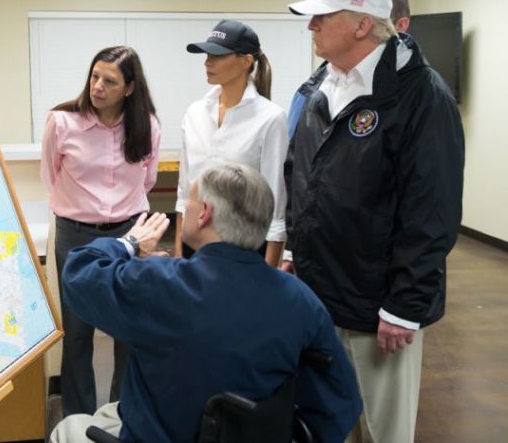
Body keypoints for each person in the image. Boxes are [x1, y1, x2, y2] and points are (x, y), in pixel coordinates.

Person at [50, 162, 362, 443]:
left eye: (189, 200)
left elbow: (79, 274)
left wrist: (129, 243)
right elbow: (341, 403)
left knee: (69, 428)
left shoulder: (160, 284)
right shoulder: (301, 300)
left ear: (205, 213)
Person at [284, 0, 465, 443]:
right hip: (321, 297)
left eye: (322, 17)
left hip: (378, 307)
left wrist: (405, 305)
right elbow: (300, 178)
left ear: (362, 24)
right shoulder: (318, 87)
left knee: (383, 431)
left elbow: (432, 212)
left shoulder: (421, 96)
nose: (311, 27)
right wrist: (292, 254)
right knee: (329, 424)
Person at [40, 46, 161, 417]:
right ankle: (76, 419)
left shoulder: (147, 126)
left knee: (127, 330)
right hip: (76, 236)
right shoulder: (62, 122)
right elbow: (50, 176)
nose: (98, 87)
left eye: (109, 81)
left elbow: (148, 180)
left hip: (129, 232)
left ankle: (121, 415)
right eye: (95, 77)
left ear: (129, 88)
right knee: (78, 334)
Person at [175, 20, 287, 267]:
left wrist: (269, 276)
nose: (207, 62)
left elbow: (276, 204)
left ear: (246, 61)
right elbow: (184, 194)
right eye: (206, 55)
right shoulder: (194, 113)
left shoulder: (270, 118)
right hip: (194, 248)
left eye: (218, 55)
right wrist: (178, 259)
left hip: (244, 250)